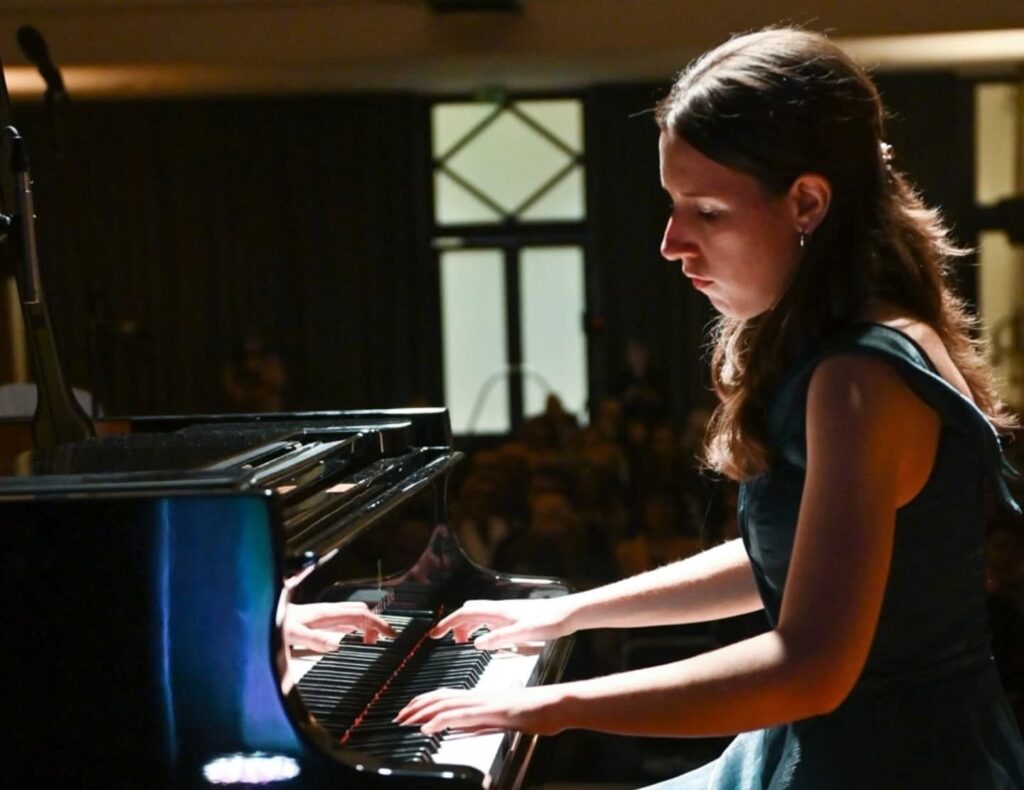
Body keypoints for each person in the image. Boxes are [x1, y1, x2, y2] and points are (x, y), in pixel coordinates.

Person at [395, 27, 1024, 788]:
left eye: (708, 212)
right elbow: (786, 558)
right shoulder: (846, 345)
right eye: (673, 205)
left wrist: (552, 705)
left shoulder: (860, 380)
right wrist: (571, 613)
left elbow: (810, 668)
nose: (671, 242)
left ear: (807, 202)